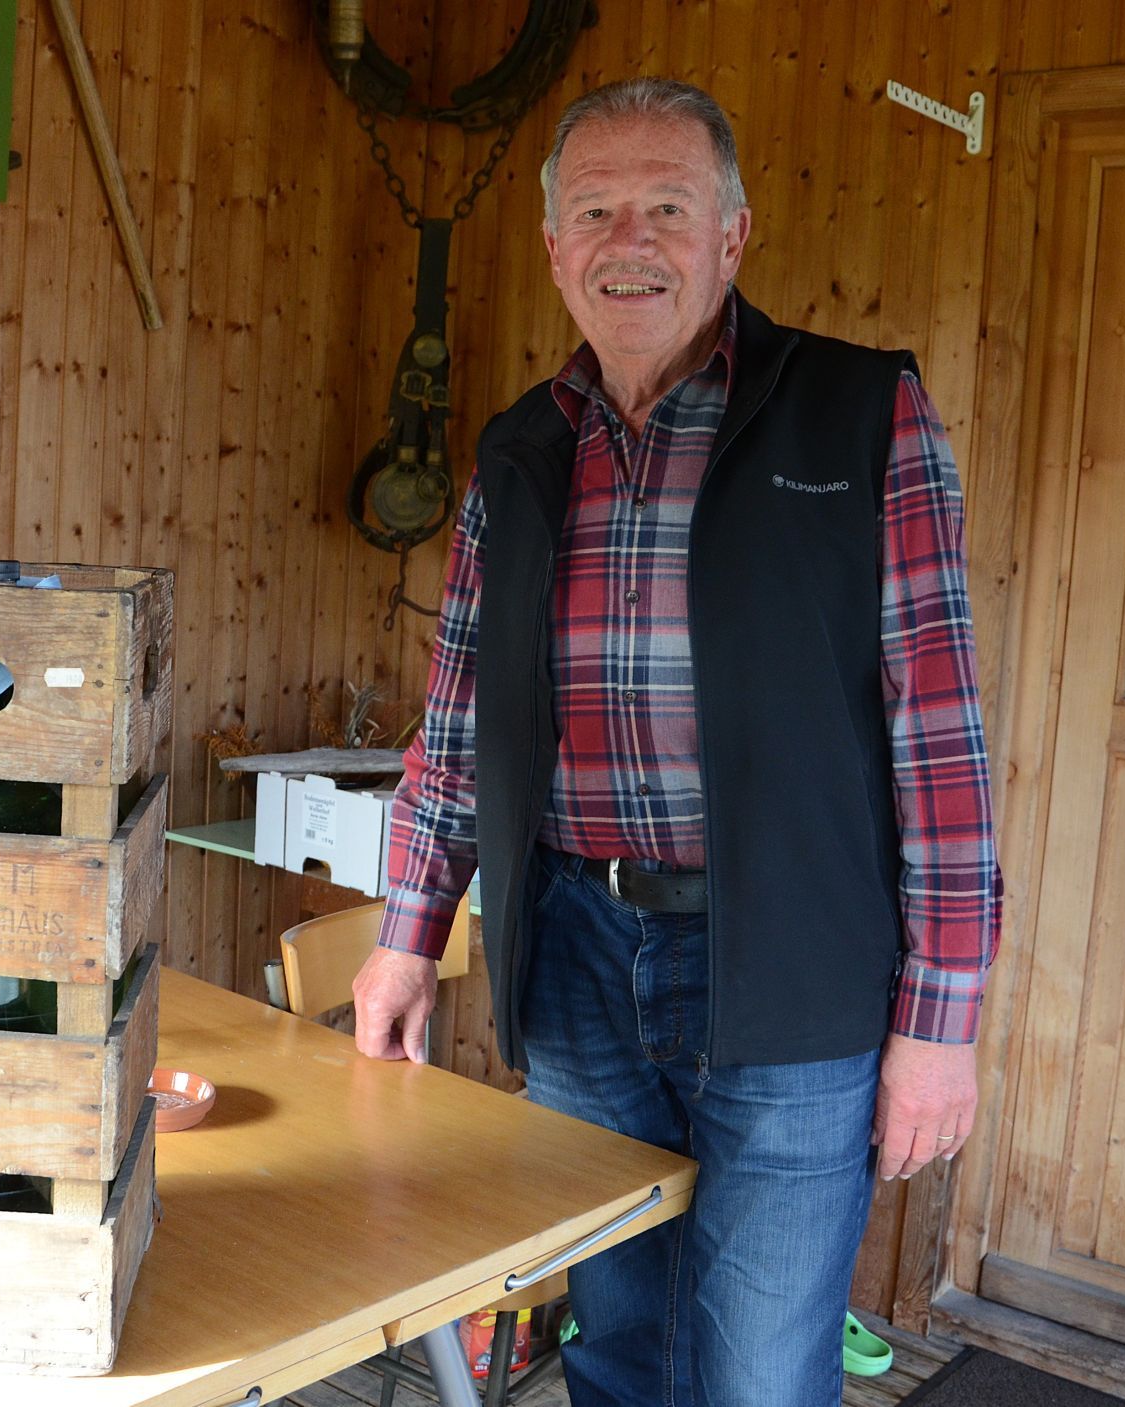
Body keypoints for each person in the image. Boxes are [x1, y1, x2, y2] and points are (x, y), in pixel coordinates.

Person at [351, 77, 1001, 1406]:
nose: (628, 240)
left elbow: (938, 738)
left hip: (790, 966)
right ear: (553, 249)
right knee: (619, 1343)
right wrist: (407, 934)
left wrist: (941, 1022)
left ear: (732, 237)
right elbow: (459, 719)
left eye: (666, 206)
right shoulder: (518, 450)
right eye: (595, 210)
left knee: (759, 1373)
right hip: (581, 960)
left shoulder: (863, 415)